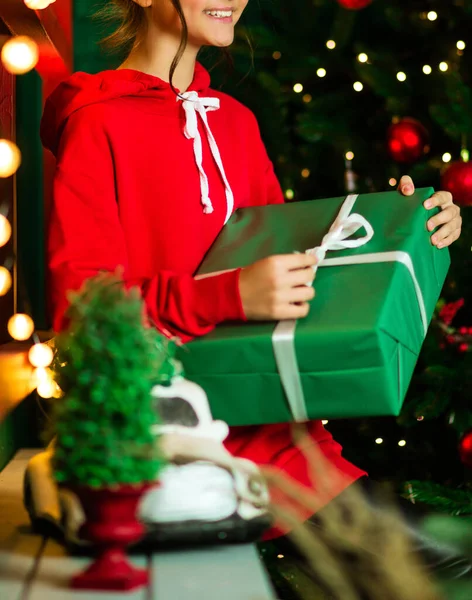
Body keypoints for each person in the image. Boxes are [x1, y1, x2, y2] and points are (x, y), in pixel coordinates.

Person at [41, 0, 467, 587]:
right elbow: (84, 315)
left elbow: (290, 269)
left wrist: (400, 222)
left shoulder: (236, 123)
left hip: (284, 442)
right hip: (169, 449)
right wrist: (226, 296)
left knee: (449, 561)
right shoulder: (98, 124)